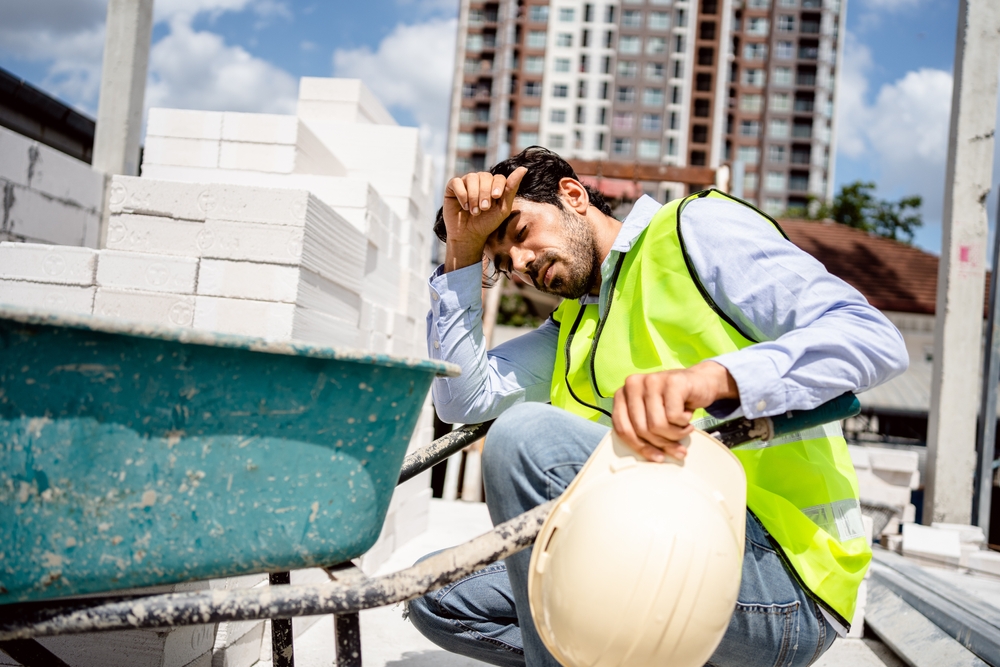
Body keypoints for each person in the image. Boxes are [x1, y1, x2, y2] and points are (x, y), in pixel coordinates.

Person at [406, 147, 908, 667]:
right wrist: (463, 251)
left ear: (573, 196)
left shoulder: (695, 230)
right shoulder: (574, 326)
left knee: (523, 436)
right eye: (506, 263)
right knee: (432, 591)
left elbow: (873, 338)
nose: (523, 266)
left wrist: (714, 379)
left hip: (782, 576)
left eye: (521, 234)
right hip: (659, 548)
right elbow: (462, 398)